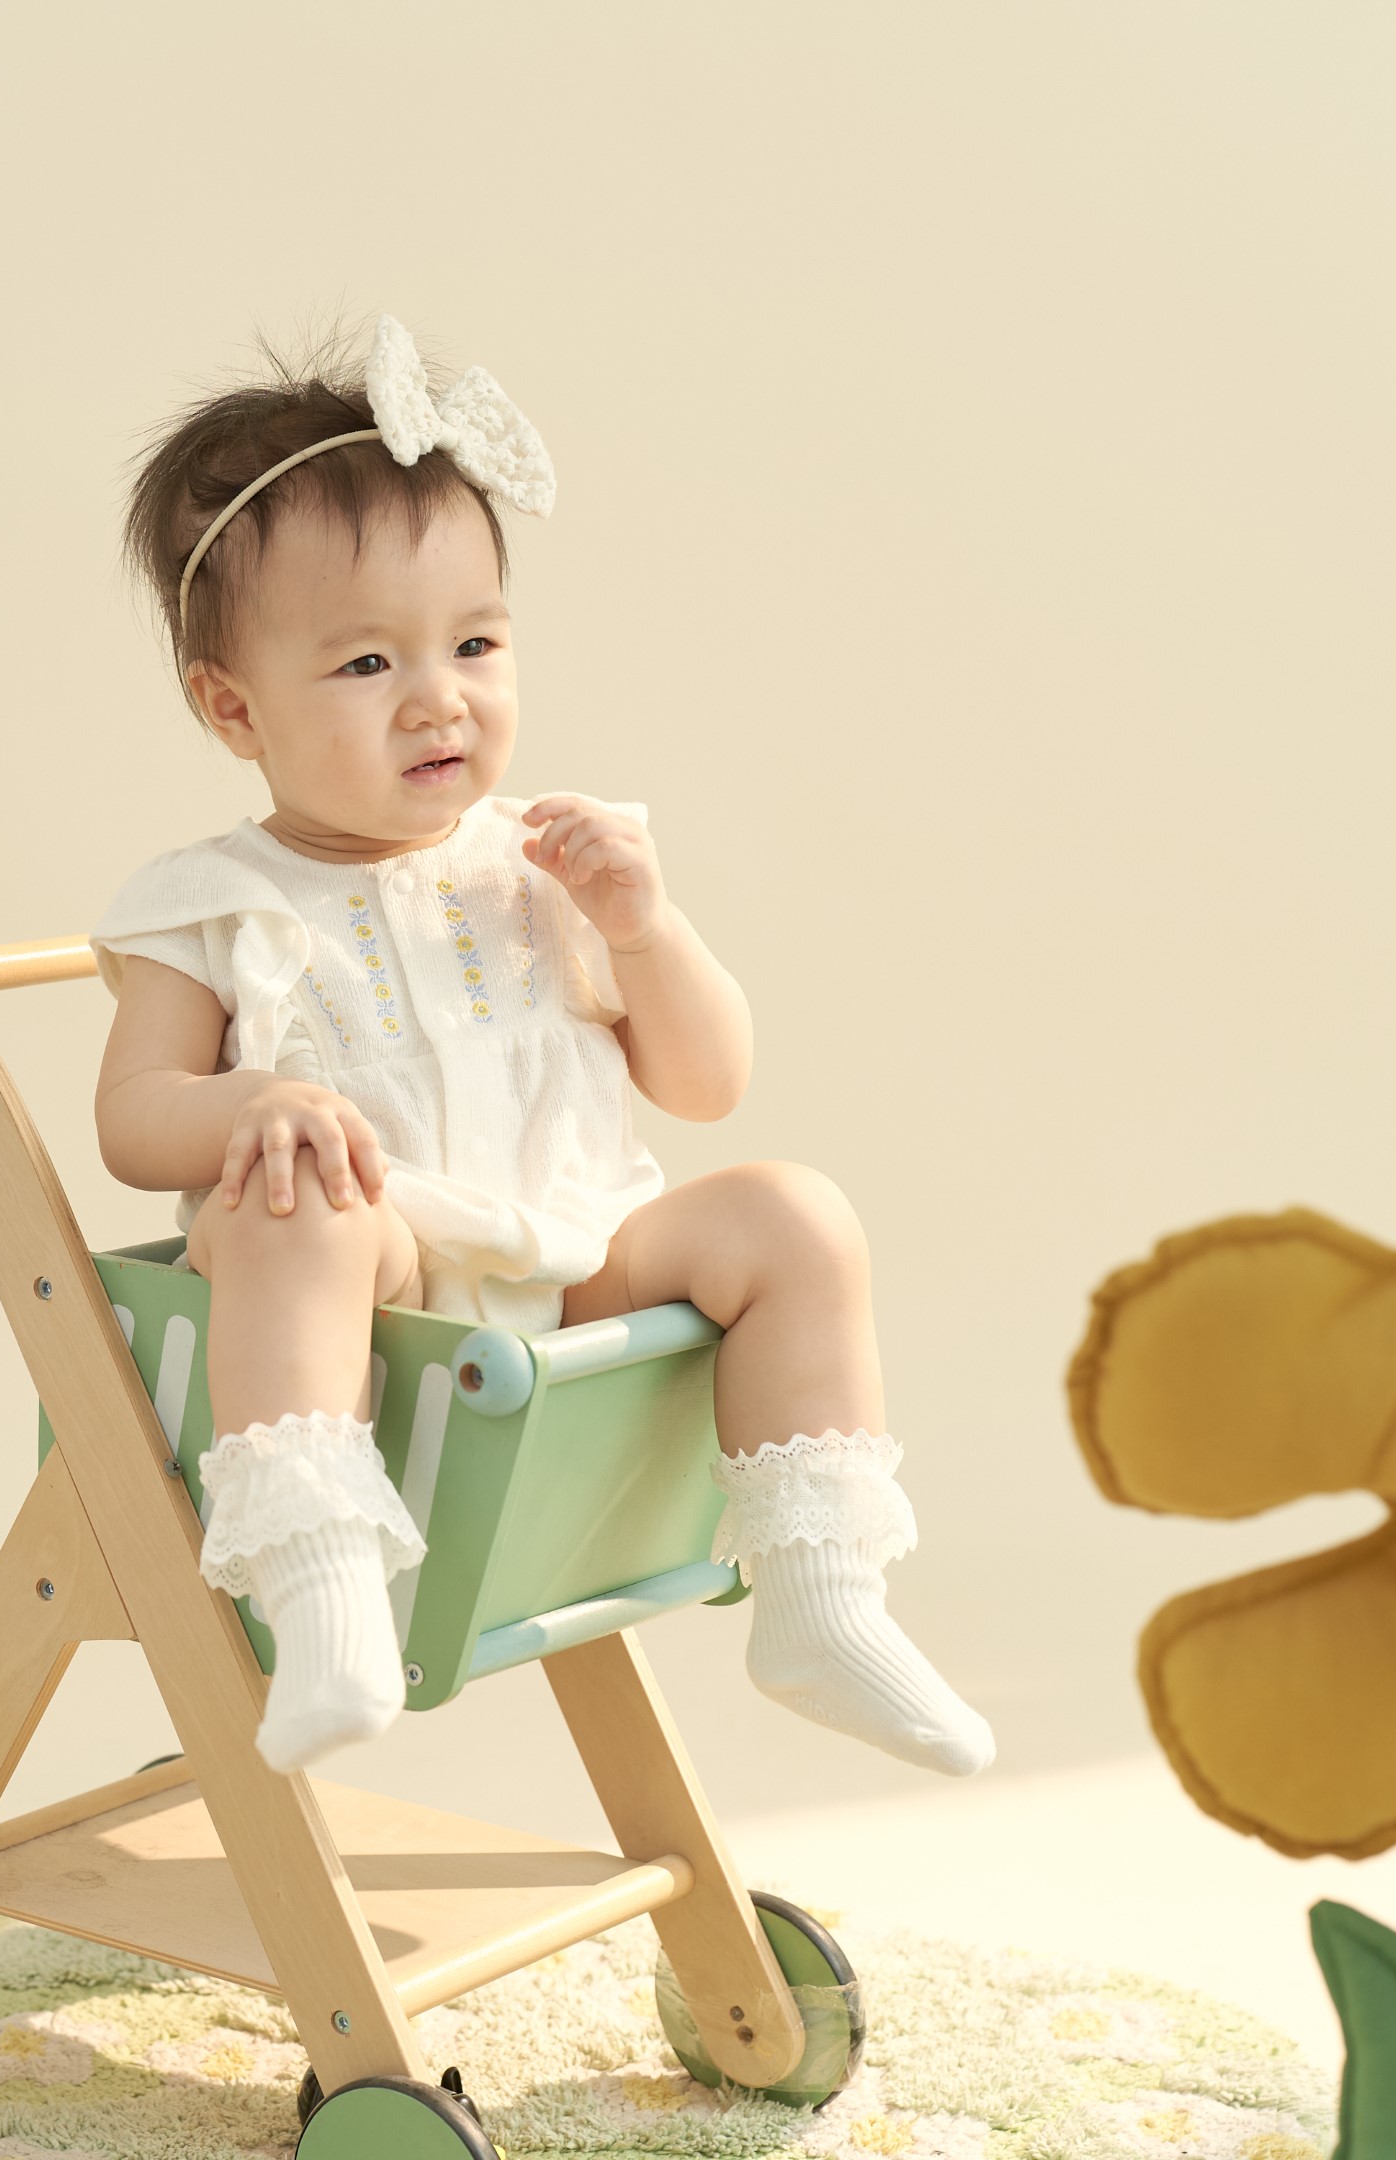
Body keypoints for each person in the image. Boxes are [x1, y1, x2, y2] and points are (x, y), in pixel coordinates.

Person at [92, 319, 992, 1781]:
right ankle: (322, 1584)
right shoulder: (213, 901)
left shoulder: (540, 861)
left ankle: (821, 1595)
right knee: (294, 1209)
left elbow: (706, 1084)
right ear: (233, 706)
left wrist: (644, 931)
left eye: (476, 644)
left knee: (797, 1214)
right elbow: (134, 1117)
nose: (438, 696)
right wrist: (250, 1104)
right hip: (381, 1287)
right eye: (368, 661)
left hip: (578, 1273)